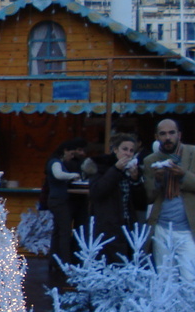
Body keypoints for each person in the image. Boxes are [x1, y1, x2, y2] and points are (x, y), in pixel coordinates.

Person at [143, 119, 195, 282]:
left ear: (179, 135)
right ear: (156, 137)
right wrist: (158, 182)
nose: (168, 137)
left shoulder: (193, 153)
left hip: (187, 228)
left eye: (171, 133)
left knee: (190, 279)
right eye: (163, 133)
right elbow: (149, 197)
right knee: (165, 279)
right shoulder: (150, 160)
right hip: (162, 227)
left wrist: (182, 175)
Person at [88, 133, 146, 263]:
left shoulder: (133, 170)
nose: (128, 154)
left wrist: (136, 180)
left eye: (131, 151)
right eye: (124, 149)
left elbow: (141, 203)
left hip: (128, 224)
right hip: (108, 225)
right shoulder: (101, 166)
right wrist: (116, 170)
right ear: (115, 150)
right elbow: (97, 192)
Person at [44, 138, 89, 285]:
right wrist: (73, 175)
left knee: (58, 231)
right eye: (71, 153)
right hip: (59, 200)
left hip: (57, 200)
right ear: (65, 151)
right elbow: (58, 175)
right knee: (64, 231)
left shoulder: (56, 162)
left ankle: (54, 260)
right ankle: (66, 262)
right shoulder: (56, 163)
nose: (72, 156)